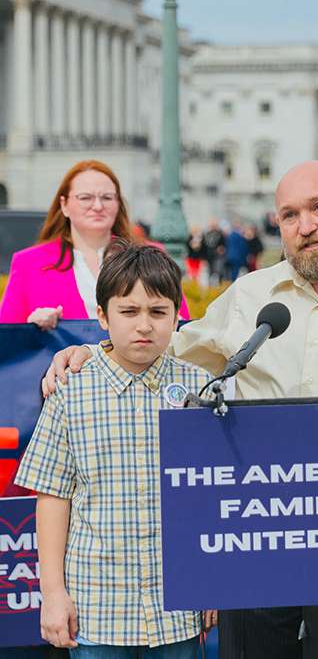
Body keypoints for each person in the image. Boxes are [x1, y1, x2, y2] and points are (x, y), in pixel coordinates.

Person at [43, 160, 318, 659]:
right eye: (289, 215)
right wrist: (92, 352)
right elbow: (163, 350)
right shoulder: (251, 297)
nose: (305, 226)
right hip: (259, 536)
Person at [14, 241, 217, 656]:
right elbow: (53, 496)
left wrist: (210, 581)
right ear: (103, 317)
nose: (145, 325)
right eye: (129, 312)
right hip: (97, 608)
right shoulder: (71, 390)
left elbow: (210, 497)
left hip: (178, 609)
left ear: (177, 316)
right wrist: (52, 594)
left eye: (158, 312)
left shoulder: (199, 389)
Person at [0, 159, 190, 329]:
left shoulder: (152, 254)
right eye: (86, 198)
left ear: (118, 203)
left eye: (107, 198)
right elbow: (6, 341)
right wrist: (30, 328)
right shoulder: (29, 263)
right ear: (64, 205)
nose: (98, 206)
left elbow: (181, 326)